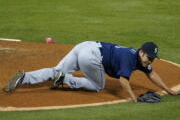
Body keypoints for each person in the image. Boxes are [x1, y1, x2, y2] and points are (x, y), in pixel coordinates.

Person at [3, 41, 179, 101]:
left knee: (55, 70)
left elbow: (152, 73)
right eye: (149, 57)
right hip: (92, 56)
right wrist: (133, 99)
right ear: (141, 52)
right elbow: (123, 80)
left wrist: (169, 90)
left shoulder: (141, 59)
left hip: (85, 46)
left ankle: (24, 76)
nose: (150, 60)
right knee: (98, 85)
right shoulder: (130, 58)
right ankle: (65, 79)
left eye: (152, 58)